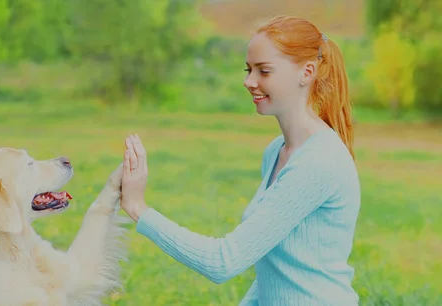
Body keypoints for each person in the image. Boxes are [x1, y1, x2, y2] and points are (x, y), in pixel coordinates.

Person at [118, 15, 361, 305]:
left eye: (264, 71)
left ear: (306, 72)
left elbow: (223, 261)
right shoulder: (277, 152)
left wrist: (138, 209)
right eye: (248, 70)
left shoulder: (318, 162)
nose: (249, 81)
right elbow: (276, 272)